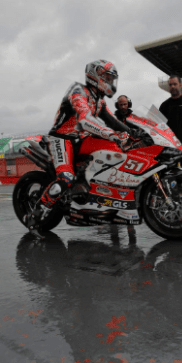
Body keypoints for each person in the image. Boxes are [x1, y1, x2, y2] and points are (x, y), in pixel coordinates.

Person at [24, 60, 132, 237]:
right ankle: (34, 216)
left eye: (111, 79)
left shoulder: (99, 101)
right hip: (61, 138)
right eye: (107, 78)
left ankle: (96, 190)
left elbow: (112, 121)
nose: (110, 82)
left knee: (116, 150)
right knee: (66, 177)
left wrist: (135, 133)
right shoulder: (78, 91)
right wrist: (109, 133)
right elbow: (85, 119)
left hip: (80, 139)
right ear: (95, 76)